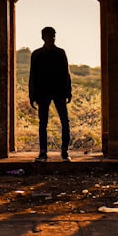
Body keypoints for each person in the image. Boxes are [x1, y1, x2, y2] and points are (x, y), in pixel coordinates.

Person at [28, 26, 72, 162]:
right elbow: (32, 76)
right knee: (43, 123)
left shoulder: (60, 53)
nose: (51, 38)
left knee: (65, 122)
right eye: (49, 36)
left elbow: (66, 74)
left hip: (58, 92)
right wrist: (32, 95)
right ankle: (43, 152)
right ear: (43, 37)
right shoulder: (37, 54)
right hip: (43, 93)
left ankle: (64, 151)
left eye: (53, 35)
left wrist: (68, 92)